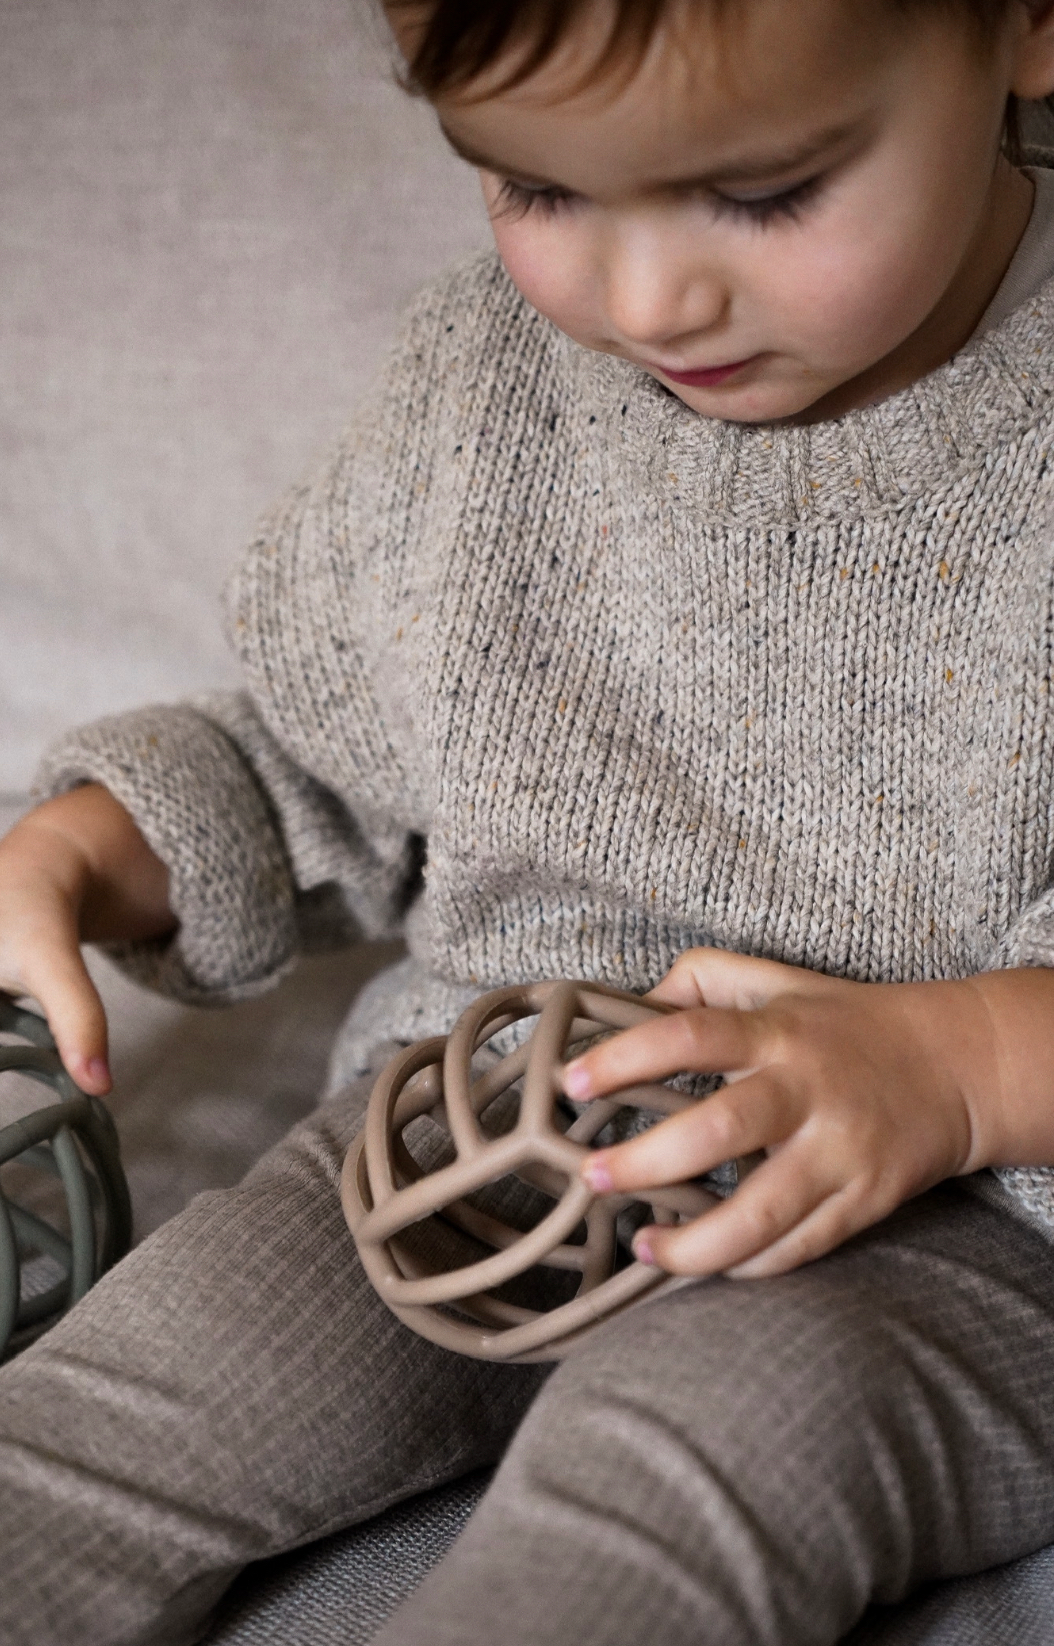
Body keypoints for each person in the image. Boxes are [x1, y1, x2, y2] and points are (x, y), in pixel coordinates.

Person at [5, 0, 1054, 1640]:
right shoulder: (483, 393)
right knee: (128, 1402)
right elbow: (320, 759)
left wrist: (955, 1068)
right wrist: (88, 845)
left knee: (660, 1487)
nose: (643, 302)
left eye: (762, 193)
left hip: (949, 1226)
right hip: (483, 1123)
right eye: (537, 190)